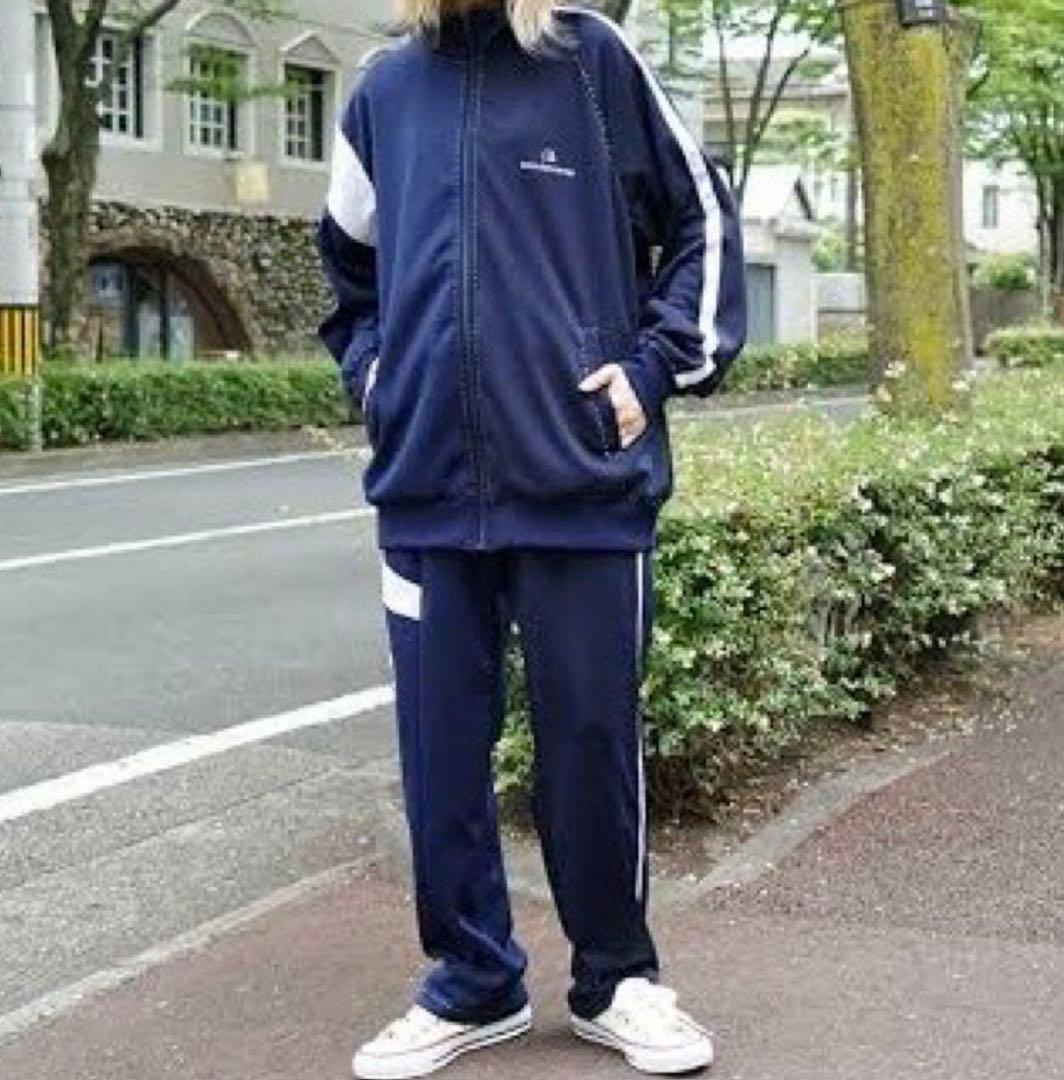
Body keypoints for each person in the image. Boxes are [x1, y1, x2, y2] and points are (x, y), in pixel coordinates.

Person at [316, 0, 746, 1074]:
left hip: (581, 482)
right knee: (439, 753)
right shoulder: (383, 91)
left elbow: (703, 220)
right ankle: (473, 982)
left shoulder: (591, 60)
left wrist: (653, 369)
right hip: (426, 487)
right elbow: (347, 268)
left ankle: (618, 977)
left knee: (590, 742)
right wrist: (379, 379)